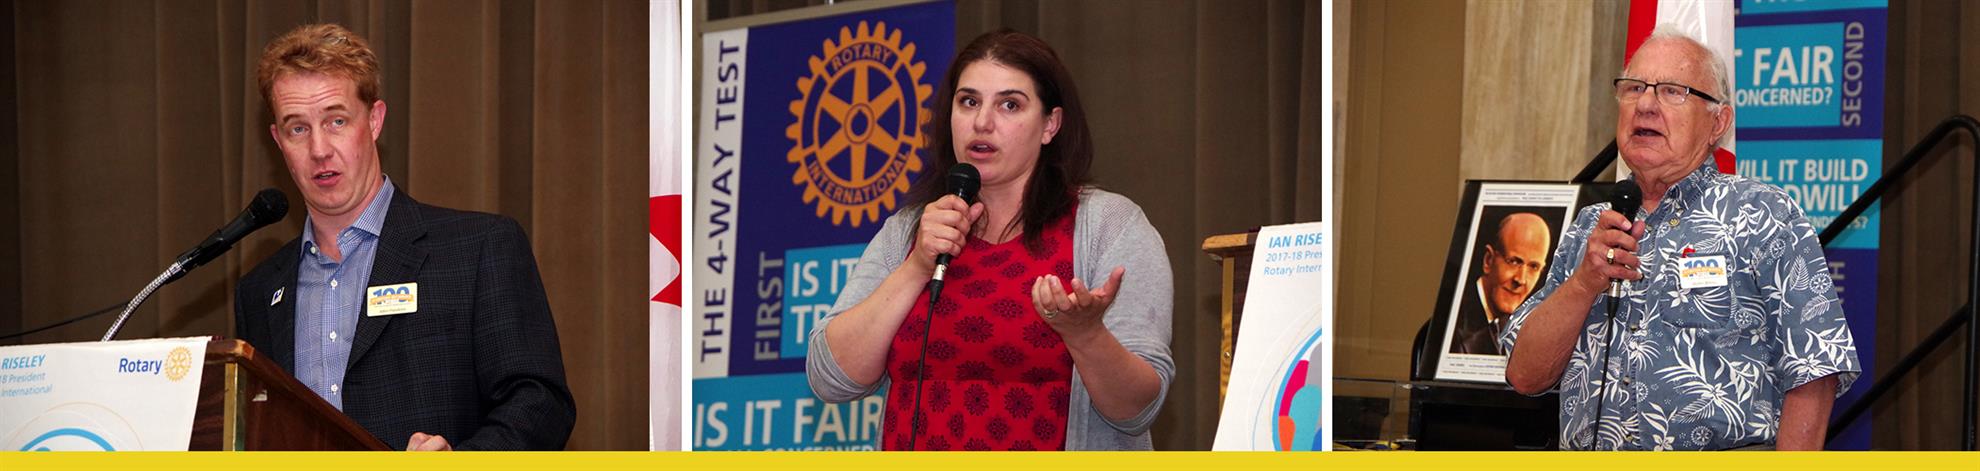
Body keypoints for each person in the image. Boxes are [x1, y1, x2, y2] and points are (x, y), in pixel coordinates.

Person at [805, 29, 1175, 451]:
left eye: (1009, 104)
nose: (982, 122)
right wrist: (916, 267)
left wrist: (1086, 335)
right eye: (969, 102)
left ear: (1050, 125)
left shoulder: (1109, 225)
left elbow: (1136, 410)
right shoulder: (909, 230)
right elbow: (831, 379)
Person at [1500, 26, 1860, 451]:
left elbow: (1815, 369)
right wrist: (1583, 284)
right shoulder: (1591, 226)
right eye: (1634, 88)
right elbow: (1525, 376)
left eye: (1673, 91)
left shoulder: (1763, 214)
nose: (1645, 105)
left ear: (1718, 123)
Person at [232, 24, 575, 451]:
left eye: (336, 121)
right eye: (298, 129)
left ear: (374, 120)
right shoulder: (260, 292)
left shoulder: (479, 249)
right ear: (278, 140)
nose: (319, 149)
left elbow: (541, 404)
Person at [1452, 212, 1551, 356]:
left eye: (1533, 267)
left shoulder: (1521, 328)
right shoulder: (1451, 326)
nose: (1521, 280)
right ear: (1488, 260)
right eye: (1514, 261)